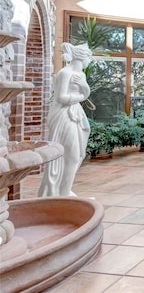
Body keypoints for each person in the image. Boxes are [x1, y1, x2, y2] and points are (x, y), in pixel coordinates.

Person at [38, 42, 93, 197]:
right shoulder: (65, 73)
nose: (89, 60)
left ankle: (65, 190)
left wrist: (83, 87)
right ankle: (61, 192)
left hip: (75, 112)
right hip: (63, 115)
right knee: (71, 155)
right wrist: (79, 97)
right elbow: (61, 97)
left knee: (78, 154)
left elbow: (85, 94)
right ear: (82, 57)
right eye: (89, 57)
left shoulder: (81, 75)